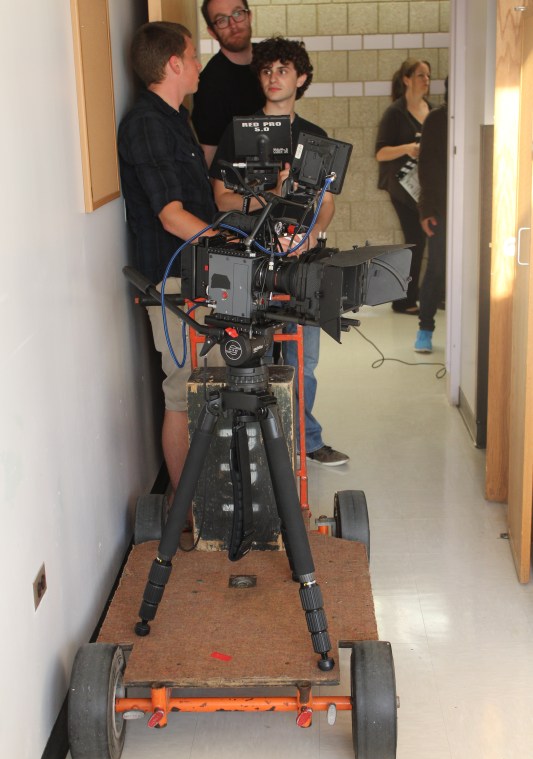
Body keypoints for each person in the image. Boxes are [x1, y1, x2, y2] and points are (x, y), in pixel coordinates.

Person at [210, 37, 349, 467]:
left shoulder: (315, 138)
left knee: (302, 359)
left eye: (283, 70)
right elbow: (222, 199)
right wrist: (271, 195)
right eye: (267, 70)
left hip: (300, 262)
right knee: (252, 356)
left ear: (301, 78)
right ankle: (254, 448)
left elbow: (326, 202)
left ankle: (304, 440)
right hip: (248, 259)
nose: (274, 78)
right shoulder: (238, 134)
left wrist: (312, 235)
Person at [118, 21, 222, 494]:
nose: (200, 64)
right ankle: (186, 511)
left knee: (213, 385)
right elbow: (171, 215)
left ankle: (214, 499)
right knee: (182, 390)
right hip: (175, 281)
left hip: (199, 274)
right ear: (175, 63)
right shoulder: (146, 124)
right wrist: (228, 246)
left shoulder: (178, 118)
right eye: (194, 55)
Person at [375, 58, 432, 314]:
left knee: (429, 239)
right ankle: (405, 299)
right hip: (401, 186)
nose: (426, 80)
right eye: (421, 75)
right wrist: (408, 148)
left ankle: (429, 294)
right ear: (407, 79)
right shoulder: (395, 113)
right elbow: (380, 152)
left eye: (428, 76)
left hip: (425, 186)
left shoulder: (432, 110)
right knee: (415, 238)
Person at [191, 1, 264, 167]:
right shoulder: (209, 85)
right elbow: (209, 156)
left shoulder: (272, 60)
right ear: (212, 32)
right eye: (222, 20)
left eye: (238, 13)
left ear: (249, 16)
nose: (233, 25)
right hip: (239, 179)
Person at [414, 79, 448, 353]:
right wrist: (426, 210)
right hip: (440, 209)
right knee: (436, 269)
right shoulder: (437, 119)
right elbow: (425, 167)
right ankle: (425, 328)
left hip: (474, 210)